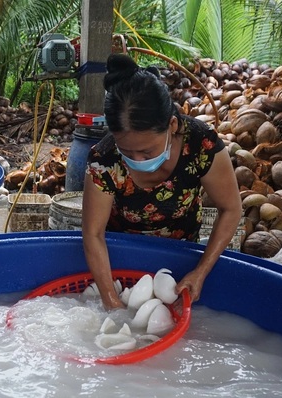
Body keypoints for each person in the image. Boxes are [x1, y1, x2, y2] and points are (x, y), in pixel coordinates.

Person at [81, 53, 242, 310]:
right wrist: (111, 301)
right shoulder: (104, 160)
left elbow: (231, 209)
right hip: (120, 258)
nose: (137, 159)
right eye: (127, 150)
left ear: (172, 125)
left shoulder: (201, 144)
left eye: (147, 151)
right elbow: (93, 233)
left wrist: (200, 272)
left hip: (180, 255)